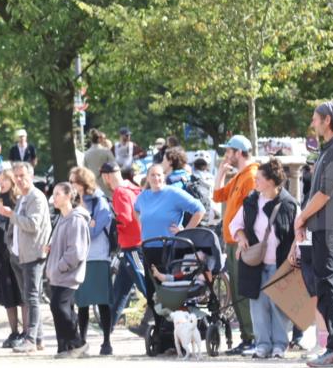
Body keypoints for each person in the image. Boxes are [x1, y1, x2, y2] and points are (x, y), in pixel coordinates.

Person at [294, 101, 333, 368]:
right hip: (324, 226)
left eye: (316, 119)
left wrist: (302, 216)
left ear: (328, 120)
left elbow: (325, 193)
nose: (313, 123)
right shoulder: (330, 148)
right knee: (329, 285)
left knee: (330, 285)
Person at [229, 159, 298, 359]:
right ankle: (262, 345)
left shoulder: (289, 204)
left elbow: (298, 232)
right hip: (254, 263)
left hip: (280, 262)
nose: (255, 182)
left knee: (279, 306)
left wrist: (295, 255)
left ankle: (279, 345)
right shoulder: (251, 201)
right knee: (257, 305)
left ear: (270, 181)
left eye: (259, 178)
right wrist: (241, 238)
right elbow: (235, 225)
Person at [134, 163, 205, 322]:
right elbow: (136, 209)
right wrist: (141, 225)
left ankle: (174, 328)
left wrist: (185, 231)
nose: (156, 178)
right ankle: (160, 329)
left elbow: (199, 209)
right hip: (148, 248)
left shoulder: (173, 193)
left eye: (159, 175)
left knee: (169, 290)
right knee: (152, 291)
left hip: (169, 248)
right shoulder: (143, 196)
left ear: (164, 177)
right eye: (152, 175)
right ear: (148, 177)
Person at [0, 161, 51, 354]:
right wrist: (10, 242)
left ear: (31, 175)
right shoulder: (22, 198)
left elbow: (32, 225)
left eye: (22, 176)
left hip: (33, 254)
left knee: (32, 297)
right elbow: (16, 226)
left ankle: (30, 339)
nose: (19, 180)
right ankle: (38, 338)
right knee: (29, 297)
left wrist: (11, 215)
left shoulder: (36, 198)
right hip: (19, 255)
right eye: (16, 176)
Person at [213, 135, 258, 355]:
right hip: (232, 242)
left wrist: (243, 238)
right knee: (238, 290)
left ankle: (252, 337)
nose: (226, 154)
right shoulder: (240, 176)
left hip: (242, 242)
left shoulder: (250, 176)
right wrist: (221, 172)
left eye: (229, 151)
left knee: (243, 291)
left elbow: (252, 212)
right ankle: (247, 337)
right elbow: (217, 195)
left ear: (239, 153)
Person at [69, 166, 115, 355]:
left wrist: (83, 225)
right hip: (81, 256)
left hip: (97, 256)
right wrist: (87, 223)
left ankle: (106, 342)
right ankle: (83, 342)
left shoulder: (99, 200)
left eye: (73, 181)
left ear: (82, 183)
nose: (70, 185)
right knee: (83, 302)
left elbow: (95, 231)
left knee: (103, 301)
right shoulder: (74, 201)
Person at [101, 162, 148, 337]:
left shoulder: (119, 192)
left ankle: (159, 321)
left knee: (145, 287)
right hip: (136, 244)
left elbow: (126, 218)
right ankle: (108, 330)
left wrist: (114, 227)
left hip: (133, 247)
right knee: (119, 291)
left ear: (106, 177)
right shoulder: (133, 187)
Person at [46, 182, 91, 357]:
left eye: (58, 194)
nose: (54, 197)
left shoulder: (76, 219)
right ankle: (65, 347)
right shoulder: (62, 219)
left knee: (58, 306)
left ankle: (77, 343)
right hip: (57, 275)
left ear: (68, 196)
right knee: (65, 309)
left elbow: (76, 251)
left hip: (68, 274)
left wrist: (59, 266)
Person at [0, 169, 24, 347]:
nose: (1, 183)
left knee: (21, 292)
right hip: (1, 251)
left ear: (11, 181)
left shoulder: (18, 199)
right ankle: (13, 332)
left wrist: (9, 213)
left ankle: (27, 333)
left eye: (4, 179)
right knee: (7, 294)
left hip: (17, 251)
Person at [82, 129, 114, 197]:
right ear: (99, 139)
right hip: (108, 184)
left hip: (94, 185)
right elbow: (114, 166)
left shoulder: (86, 154)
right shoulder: (106, 151)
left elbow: (84, 170)